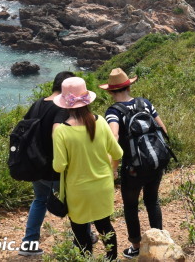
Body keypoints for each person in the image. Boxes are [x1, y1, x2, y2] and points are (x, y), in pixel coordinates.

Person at [52, 77, 123, 261]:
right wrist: (112, 171)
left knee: (81, 233)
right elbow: (117, 152)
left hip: (78, 191)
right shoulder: (100, 122)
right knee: (105, 227)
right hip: (103, 186)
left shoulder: (62, 131)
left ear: (65, 104)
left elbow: (59, 166)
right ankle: (111, 259)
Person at [101, 68, 169, 259]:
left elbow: (113, 137)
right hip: (155, 162)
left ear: (110, 91)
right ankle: (160, 242)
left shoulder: (113, 112)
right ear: (129, 86)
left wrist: (113, 167)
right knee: (152, 201)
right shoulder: (145, 103)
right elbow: (162, 128)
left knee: (131, 206)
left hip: (133, 167)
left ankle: (136, 246)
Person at [17, 71, 74, 257]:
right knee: (75, 203)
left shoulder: (37, 103)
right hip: (55, 168)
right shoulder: (62, 108)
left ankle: (29, 243)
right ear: (67, 89)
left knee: (39, 200)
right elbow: (58, 134)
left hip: (35, 165)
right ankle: (84, 238)